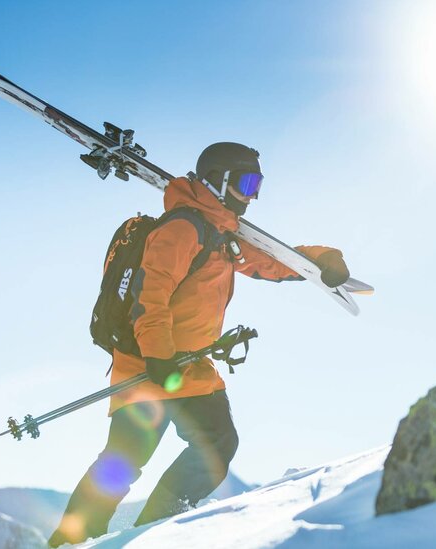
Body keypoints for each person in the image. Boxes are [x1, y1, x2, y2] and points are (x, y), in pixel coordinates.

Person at [48, 142, 349, 546]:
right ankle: (69, 541)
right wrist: (157, 354)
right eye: (247, 183)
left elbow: (266, 261)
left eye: (257, 184)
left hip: (191, 368)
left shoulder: (222, 233)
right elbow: (148, 293)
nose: (253, 195)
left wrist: (322, 260)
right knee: (125, 460)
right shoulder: (182, 229)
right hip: (145, 367)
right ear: (219, 181)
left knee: (218, 446)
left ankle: (150, 532)